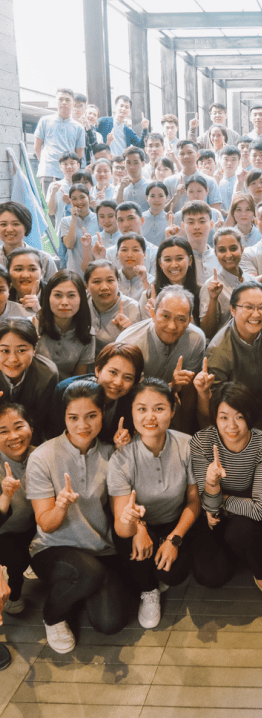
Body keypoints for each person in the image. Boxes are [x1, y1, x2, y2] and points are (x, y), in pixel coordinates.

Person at [26, 381, 132, 653]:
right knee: (88, 572)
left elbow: (122, 510)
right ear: (63, 417)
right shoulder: (42, 456)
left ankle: (81, 588)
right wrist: (60, 506)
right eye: (73, 418)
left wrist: (125, 455)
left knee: (110, 623)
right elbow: (45, 523)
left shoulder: (111, 454)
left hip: (99, 550)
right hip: (53, 549)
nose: (82, 425)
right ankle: (53, 616)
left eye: (91, 416)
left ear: (103, 414)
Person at [109, 378, 200, 629]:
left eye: (159, 408)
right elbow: (120, 523)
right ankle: (147, 591)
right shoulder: (121, 457)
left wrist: (175, 539)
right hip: (137, 526)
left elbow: (194, 501)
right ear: (132, 413)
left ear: (172, 410)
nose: (150, 416)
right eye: (142, 409)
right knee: (131, 543)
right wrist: (137, 527)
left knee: (174, 572)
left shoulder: (187, 445)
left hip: (174, 523)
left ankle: (156, 572)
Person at [190, 382, 262, 608]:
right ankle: (236, 556)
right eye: (223, 417)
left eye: (239, 417)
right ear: (214, 416)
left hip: (248, 519)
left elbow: (260, 508)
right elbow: (209, 509)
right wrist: (212, 484)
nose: (231, 426)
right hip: (215, 516)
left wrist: (220, 499)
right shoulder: (202, 442)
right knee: (210, 577)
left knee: (241, 532)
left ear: (250, 417)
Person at [202, 282, 262, 425]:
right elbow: (217, 405)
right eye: (248, 307)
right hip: (235, 418)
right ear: (232, 310)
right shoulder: (218, 350)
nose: (256, 314)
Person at [48, 341, 144, 442]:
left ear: (134, 383)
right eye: (113, 372)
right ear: (98, 370)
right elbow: (54, 435)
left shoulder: (133, 402)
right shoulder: (65, 391)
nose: (118, 382)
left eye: (128, 377)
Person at [116, 285, 206, 383]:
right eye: (166, 316)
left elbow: (188, 389)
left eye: (180, 319)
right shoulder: (129, 342)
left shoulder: (196, 339)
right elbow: (127, 391)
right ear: (153, 314)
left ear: (189, 321)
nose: (172, 326)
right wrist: (173, 386)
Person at [0, 403, 36, 615]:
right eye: (3, 431)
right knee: (17, 558)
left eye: (19, 426)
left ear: (31, 426)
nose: (13, 436)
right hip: (4, 533)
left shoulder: (41, 454)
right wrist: (6, 495)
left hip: (33, 527)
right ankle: (13, 595)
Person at [35, 271, 95, 381]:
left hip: (64, 392)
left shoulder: (88, 334)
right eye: (57, 295)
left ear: (81, 298)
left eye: (71, 295)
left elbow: (77, 379)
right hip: (34, 393)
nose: (64, 302)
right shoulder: (34, 325)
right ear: (48, 297)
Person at [34, 88, 85, 191]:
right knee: (48, 205)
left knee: (68, 204)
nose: (64, 103)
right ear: (56, 102)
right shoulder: (45, 121)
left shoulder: (78, 127)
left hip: (68, 173)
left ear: (73, 103)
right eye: (60, 99)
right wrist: (45, 162)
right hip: (48, 172)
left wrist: (70, 166)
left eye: (67, 100)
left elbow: (79, 153)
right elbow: (37, 146)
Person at [0, 201, 58, 282]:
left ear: (26, 226)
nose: (9, 229)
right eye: (3, 224)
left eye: (15, 224)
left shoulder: (44, 259)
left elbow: (55, 291)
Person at [148, 238, 201, 325]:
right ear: (160, 263)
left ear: (190, 260)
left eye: (179, 258)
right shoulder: (149, 295)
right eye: (168, 260)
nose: (174, 265)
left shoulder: (202, 292)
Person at [60, 183, 99, 277]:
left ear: (89, 198)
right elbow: (69, 244)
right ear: (70, 201)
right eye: (74, 199)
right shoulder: (66, 221)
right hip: (74, 273)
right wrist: (73, 218)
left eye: (82, 197)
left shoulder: (99, 218)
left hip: (97, 271)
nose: (79, 202)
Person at [7, 249, 44, 317]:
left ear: (41, 273)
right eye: (18, 269)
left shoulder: (55, 294)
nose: (25, 275)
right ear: (8, 273)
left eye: (32, 269)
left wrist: (39, 312)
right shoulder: (4, 295)